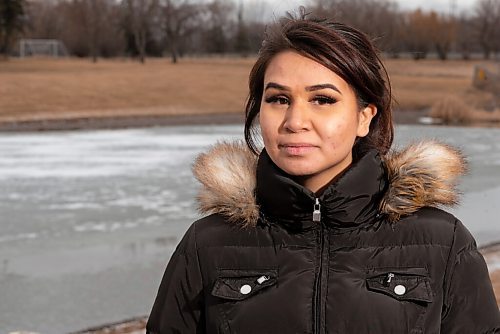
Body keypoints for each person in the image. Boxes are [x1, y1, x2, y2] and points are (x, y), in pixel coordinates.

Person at [146, 10, 500, 334]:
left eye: (323, 100)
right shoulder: (208, 244)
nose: (295, 121)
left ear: (364, 117)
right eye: (278, 99)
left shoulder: (443, 241)